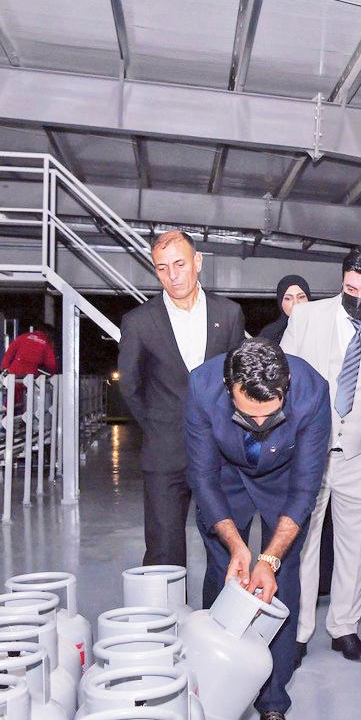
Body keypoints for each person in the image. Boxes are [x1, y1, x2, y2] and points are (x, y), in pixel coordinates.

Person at [183, 339, 330, 720]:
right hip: (224, 477)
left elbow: (306, 487)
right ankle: (210, 690)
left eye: (270, 414)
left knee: (278, 582)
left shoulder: (312, 390)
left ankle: (273, 703)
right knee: (223, 573)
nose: (260, 423)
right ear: (228, 387)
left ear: (286, 386)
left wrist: (268, 557)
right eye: (249, 414)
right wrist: (236, 545)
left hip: (283, 480)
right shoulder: (201, 387)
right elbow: (202, 477)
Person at [281, 248, 361, 664]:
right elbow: (282, 385)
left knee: (356, 546)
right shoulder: (306, 318)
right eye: (351, 289)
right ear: (342, 282)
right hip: (308, 456)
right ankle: (297, 632)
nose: (358, 298)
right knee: (301, 545)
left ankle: (344, 627)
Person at [118, 229, 246, 567]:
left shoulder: (229, 314)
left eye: (179, 264)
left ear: (197, 262)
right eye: (162, 268)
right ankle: (165, 604)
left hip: (220, 453)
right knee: (164, 551)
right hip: (164, 454)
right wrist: (159, 427)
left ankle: (221, 604)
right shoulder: (138, 322)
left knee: (227, 550)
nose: (172, 275)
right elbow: (129, 386)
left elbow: (237, 382)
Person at [257, 275, 311, 344]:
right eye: (288, 298)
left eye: (301, 297)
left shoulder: (320, 328)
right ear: (280, 302)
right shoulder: (269, 334)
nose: (296, 303)